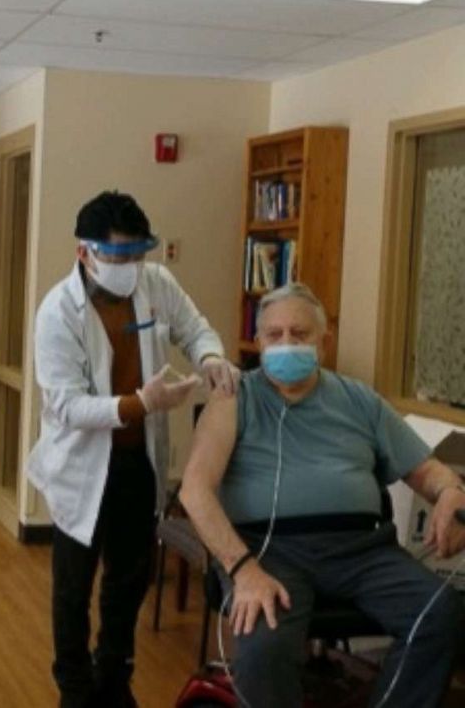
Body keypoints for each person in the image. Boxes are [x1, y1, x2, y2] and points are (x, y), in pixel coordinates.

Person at [179, 283, 465, 708]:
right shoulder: (234, 397)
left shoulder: (360, 400)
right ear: (257, 342)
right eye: (274, 335)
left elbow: (428, 472)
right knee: (264, 649)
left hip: (363, 551)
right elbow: (194, 491)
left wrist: (451, 492)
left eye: (300, 333)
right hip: (266, 553)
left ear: (324, 342)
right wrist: (243, 570)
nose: (286, 344)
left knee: (441, 614)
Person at [28, 190, 239, 708]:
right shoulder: (58, 312)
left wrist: (210, 357)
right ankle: (75, 689)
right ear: (85, 252)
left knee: (129, 579)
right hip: (82, 467)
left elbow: (194, 328)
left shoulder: (155, 283)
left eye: (136, 253)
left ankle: (114, 675)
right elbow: (68, 407)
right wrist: (140, 402)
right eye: (117, 256)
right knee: (73, 589)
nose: (129, 266)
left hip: (136, 461)